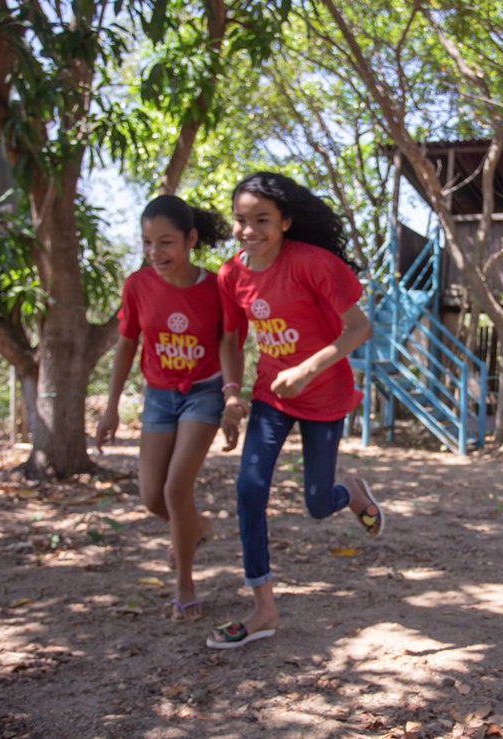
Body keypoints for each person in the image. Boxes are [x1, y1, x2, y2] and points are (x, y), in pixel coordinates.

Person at [208, 171, 382, 650]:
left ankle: (351, 494)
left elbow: (358, 329)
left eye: (262, 219)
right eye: (241, 220)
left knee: (316, 504)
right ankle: (263, 609)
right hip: (272, 394)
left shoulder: (313, 264)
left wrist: (307, 369)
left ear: (285, 221)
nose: (250, 230)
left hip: (324, 394)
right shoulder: (231, 275)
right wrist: (230, 393)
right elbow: (231, 337)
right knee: (249, 488)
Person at [96, 194, 230, 623]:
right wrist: (111, 407)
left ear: (190, 239)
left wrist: (231, 395)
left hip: (202, 393)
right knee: (153, 498)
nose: (156, 253)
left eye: (166, 242)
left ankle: (184, 587)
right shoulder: (137, 286)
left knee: (176, 489)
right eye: (148, 243)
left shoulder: (216, 287)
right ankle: (199, 525)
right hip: (157, 397)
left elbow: (229, 341)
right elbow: (127, 344)